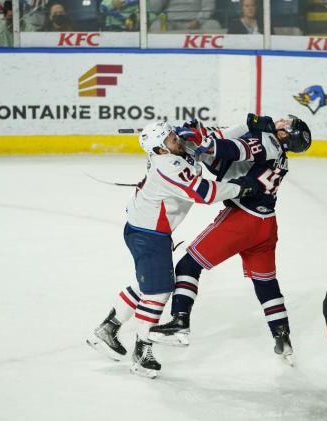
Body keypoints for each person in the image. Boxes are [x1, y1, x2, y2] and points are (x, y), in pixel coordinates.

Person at [88, 121, 259, 379]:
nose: (176, 140)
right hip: (148, 235)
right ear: (159, 150)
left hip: (147, 230)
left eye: (173, 135)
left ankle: (108, 329)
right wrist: (241, 187)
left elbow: (215, 138)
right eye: (170, 139)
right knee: (160, 291)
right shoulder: (169, 165)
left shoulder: (173, 150)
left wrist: (245, 124)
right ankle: (142, 352)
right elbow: (204, 193)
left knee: (150, 286)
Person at [147, 114, 312, 362]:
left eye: (285, 124)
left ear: (285, 135)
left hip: (243, 222)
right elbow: (227, 167)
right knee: (265, 282)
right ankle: (282, 337)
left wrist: (204, 139)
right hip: (267, 225)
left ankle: (180, 323)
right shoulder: (281, 158)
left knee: (188, 265)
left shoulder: (267, 140)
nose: (280, 121)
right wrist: (198, 146)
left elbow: (233, 149)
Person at [148, 0, 221, 32]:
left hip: (197, 23)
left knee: (213, 25)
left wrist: (199, 20)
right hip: (170, 22)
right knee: (156, 26)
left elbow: (208, 6)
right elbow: (155, 9)